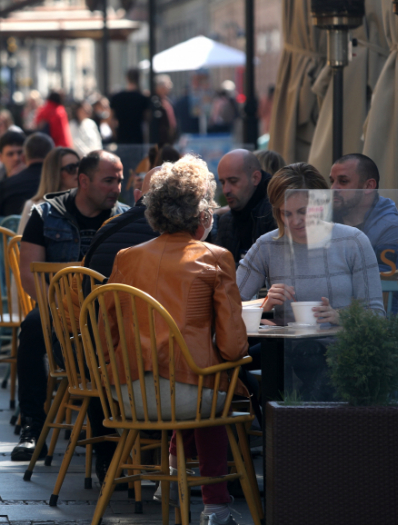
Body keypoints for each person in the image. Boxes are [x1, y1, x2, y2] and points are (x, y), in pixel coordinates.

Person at [103, 154, 248, 525]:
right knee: (212, 388)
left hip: (129, 393)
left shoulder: (126, 257)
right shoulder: (217, 257)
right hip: (188, 396)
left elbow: (107, 332)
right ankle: (215, 505)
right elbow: (233, 347)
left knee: (190, 382)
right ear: (202, 212)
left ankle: (167, 482)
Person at [11, 150, 129, 461]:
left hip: (110, 313)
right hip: (58, 308)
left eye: (119, 180)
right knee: (33, 328)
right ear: (83, 181)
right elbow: (29, 275)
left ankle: (116, 436)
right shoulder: (45, 214)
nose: (116, 188)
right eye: (108, 180)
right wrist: (58, 313)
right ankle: (32, 429)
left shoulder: (124, 218)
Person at [236, 163, 384, 400]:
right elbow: (229, 305)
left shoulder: (353, 241)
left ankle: (293, 427)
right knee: (227, 360)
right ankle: (282, 426)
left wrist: (340, 316)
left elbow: (377, 315)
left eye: (303, 211)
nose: (295, 221)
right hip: (286, 356)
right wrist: (263, 305)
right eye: (286, 213)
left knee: (309, 359)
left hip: (342, 353)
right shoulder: (268, 245)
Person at [329, 153, 398, 276]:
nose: (333, 188)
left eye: (343, 181)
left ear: (368, 186)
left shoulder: (391, 228)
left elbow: (385, 285)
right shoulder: (328, 219)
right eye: (332, 181)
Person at [212, 149, 278, 266]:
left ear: (255, 178)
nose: (226, 190)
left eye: (233, 181)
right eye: (222, 182)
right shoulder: (226, 221)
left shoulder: (277, 214)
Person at [16, 147, 80, 234]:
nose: (78, 170)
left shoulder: (88, 204)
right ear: (55, 173)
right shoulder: (33, 205)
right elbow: (22, 243)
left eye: (80, 165)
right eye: (71, 168)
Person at [0, 133, 54, 217]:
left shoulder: (4, 186)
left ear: (24, 157)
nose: (16, 158)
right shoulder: (58, 182)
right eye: (10, 154)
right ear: (0, 157)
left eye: (19, 152)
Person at [109, 69, 149, 145]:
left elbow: (110, 120)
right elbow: (147, 119)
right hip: (138, 138)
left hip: (122, 137)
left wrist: (115, 135)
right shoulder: (143, 98)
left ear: (127, 78)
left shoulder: (117, 97)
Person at [151, 74, 178, 145]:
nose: (170, 86)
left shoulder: (168, 100)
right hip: (161, 139)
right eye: (168, 84)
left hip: (169, 139)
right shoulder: (155, 102)